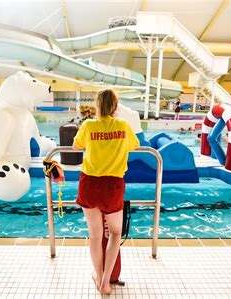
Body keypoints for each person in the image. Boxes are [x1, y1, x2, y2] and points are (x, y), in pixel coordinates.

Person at [73, 89, 139, 295]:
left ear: (96, 105)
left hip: (89, 183)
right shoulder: (123, 126)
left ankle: (98, 274)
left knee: (95, 235)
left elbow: (76, 147)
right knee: (115, 233)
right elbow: (135, 146)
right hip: (113, 184)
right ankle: (105, 282)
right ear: (115, 106)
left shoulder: (88, 125)